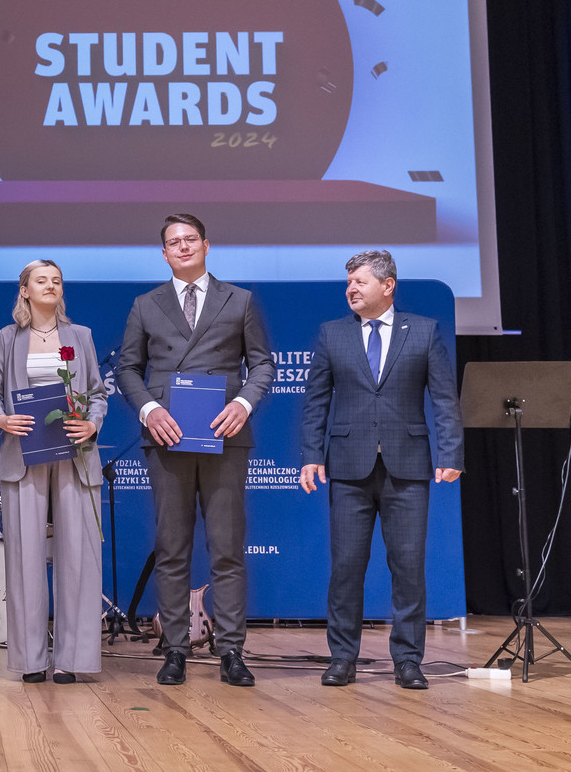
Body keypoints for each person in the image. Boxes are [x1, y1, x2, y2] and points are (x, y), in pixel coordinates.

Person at [117, 214, 274, 687]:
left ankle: (231, 651)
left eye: (190, 239)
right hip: (168, 437)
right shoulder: (145, 305)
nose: (183, 247)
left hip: (224, 435)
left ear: (206, 245)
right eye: (174, 242)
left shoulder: (239, 299)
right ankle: (175, 649)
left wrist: (243, 404)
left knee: (227, 549)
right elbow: (127, 369)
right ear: (164, 253)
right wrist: (149, 410)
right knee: (172, 549)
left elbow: (262, 364)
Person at [299, 250, 462, 690]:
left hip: (407, 468)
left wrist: (451, 454)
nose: (350, 289)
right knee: (346, 568)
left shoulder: (424, 331)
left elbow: (444, 399)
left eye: (359, 282)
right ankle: (342, 658)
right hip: (348, 468)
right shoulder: (332, 334)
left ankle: (408, 660)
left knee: (408, 568)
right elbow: (316, 402)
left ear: (388, 286)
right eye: (348, 283)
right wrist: (311, 455)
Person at [0, 260, 106, 684]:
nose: (50, 286)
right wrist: (1, 419)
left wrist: (92, 423)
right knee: (24, 559)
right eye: (41, 281)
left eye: (56, 281)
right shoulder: (8, 337)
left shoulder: (81, 336)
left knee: (78, 559)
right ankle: (30, 660)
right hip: (24, 453)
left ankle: (72, 658)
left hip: (75, 452)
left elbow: (97, 394)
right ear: (25, 290)